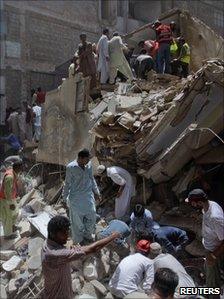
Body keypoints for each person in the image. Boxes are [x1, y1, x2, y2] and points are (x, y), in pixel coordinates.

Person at [41, 215, 120, 299]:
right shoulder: (55, 254)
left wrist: (70, 251)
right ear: (53, 234)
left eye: (67, 232)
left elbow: (62, 254)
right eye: (63, 233)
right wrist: (113, 236)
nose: (67, 236)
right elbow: (93, 249)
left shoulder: (47, 244)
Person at [185, 189, 224, 298]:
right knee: (210, 275)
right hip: (208, 249)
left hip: (213, 252)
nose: (191, 205)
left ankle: (213, 296)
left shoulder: (215, 217)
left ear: (200, 202)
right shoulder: (209, 205)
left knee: (212, 285)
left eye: (192, 203)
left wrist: (213, 256)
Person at [63, 149, 101, 244]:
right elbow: (67, 184)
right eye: (87, 159)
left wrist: (97, 192)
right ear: (80, 158)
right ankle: (78, 240)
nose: (88, 161)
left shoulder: (89, 165)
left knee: (92, 216)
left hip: (88, 196)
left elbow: (91, 179)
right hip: (76, 198)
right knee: (76, 223)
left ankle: (87, 235)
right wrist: (64, 198)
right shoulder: (70, 167)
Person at [0, 158, 23, 239]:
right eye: (21, 168)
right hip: (5, 200)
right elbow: (7, 192)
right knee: (8, 217)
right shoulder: (10, 177)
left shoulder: (13, 172)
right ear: (18, 168)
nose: (22, 169)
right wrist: (10, 204)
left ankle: (12, 227)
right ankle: (8, 235)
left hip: (10, 198)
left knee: (15, 213)